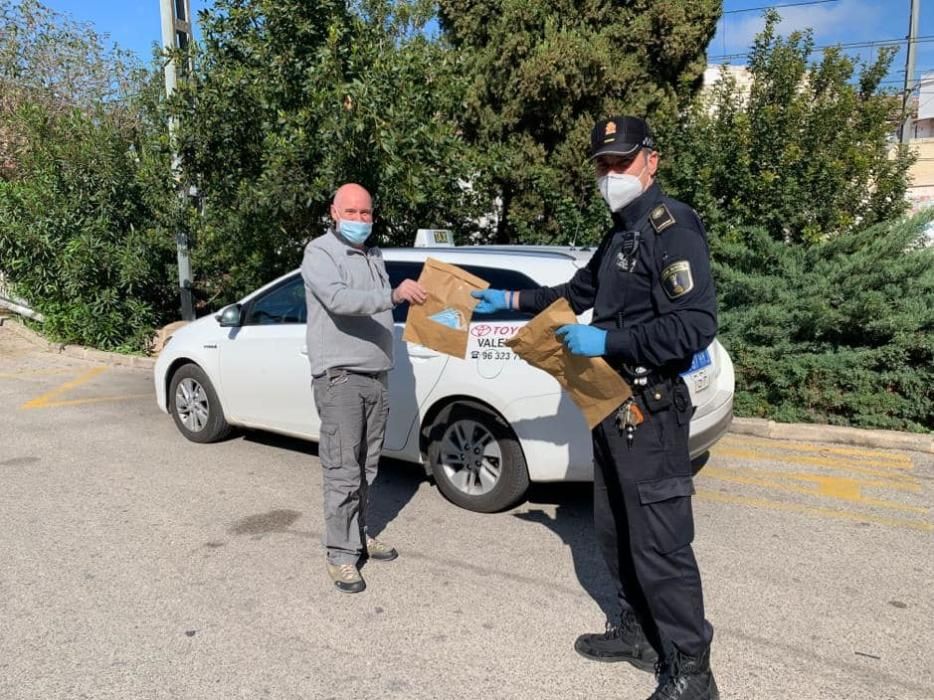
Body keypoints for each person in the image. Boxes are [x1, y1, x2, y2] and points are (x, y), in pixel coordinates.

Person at [472, 117, 719, 699]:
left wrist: (609, 342)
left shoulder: (671, 228)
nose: (612, 174)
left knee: (661, 544)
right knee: (616, 533)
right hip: (610, 405)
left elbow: (696, 326)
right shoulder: (619, 235)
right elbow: (577, 293)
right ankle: (636, 633)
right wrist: (509, 298)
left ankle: (693, 671)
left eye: (622, 162)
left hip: (652, 409)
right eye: (603, 165)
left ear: (651, 161)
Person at [301, 183, 427, 594]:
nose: (359, 220)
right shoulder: (320, 252)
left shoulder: (373, 254)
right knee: (342, 470)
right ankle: (340, 554)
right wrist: (391, 295)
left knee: (367, 467)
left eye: (366, 213)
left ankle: (359, 536)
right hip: (341, 378)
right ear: (333, 212)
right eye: (351, 212)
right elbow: (338, 299)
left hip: (376, 377)